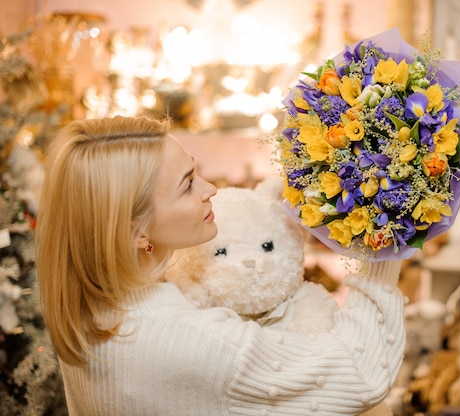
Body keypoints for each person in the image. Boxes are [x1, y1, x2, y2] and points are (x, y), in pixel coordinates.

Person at [35, 115, 406, 415]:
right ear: (135, 231)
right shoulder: (198, 341)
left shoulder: (89, 315)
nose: (210, 187)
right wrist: (391, 232)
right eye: (187, 184)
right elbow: (360, 376)